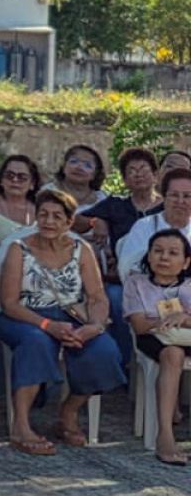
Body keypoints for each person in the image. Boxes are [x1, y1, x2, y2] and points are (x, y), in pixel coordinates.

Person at [0, 188, 124, 455]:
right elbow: (9, 303)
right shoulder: (18, 249)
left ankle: (68, 412)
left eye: (57, 216)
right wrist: (47, 325)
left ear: (69, 221)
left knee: (103, 349)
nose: (49, 221)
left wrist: (93, 327)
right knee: (36, 342)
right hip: (26, 317)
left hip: (71, 316)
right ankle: (21, 425)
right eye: (43, 214)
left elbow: (97, 297)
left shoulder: (81, 249)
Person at [78, 147, 160, 366]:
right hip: (121, 278)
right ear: (124, 180)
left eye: (143, 169)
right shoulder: (115, 205)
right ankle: (124, 364)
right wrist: (96, 220)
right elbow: (74, 221)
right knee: (115, 299)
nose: (138, 174)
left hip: (162, 280)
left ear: (155, 175)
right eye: (131, 170)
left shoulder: (167, 207)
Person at [122, 228, 191, 466]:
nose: (164, 258)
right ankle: (165, 435)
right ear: (149, 256)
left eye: (173, 253)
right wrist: (164, 321)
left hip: (186, 334)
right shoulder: (136, 283)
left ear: (186, 262)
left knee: (176, 350)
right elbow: (139, 325)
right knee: (172, 354)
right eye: (158, 251)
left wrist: (184, 318)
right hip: (153, 336)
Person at [116, 167, 191, 282]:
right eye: (174, 195)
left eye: (187, 196)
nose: (180, 201)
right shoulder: (144, 226)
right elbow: (127, 269)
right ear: (164, 197)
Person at [0, 153, 40, 243]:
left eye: (22, 177)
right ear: (1, 180)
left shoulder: (41, 211)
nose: (15, 180)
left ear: (32, 183)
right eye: (9, 176)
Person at [49, 143, 105, 212]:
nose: (79, 167)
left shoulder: (102, 200)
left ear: (95, 174)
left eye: (87, 165)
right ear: (64, 167)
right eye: (74, 161)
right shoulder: (48, 192)